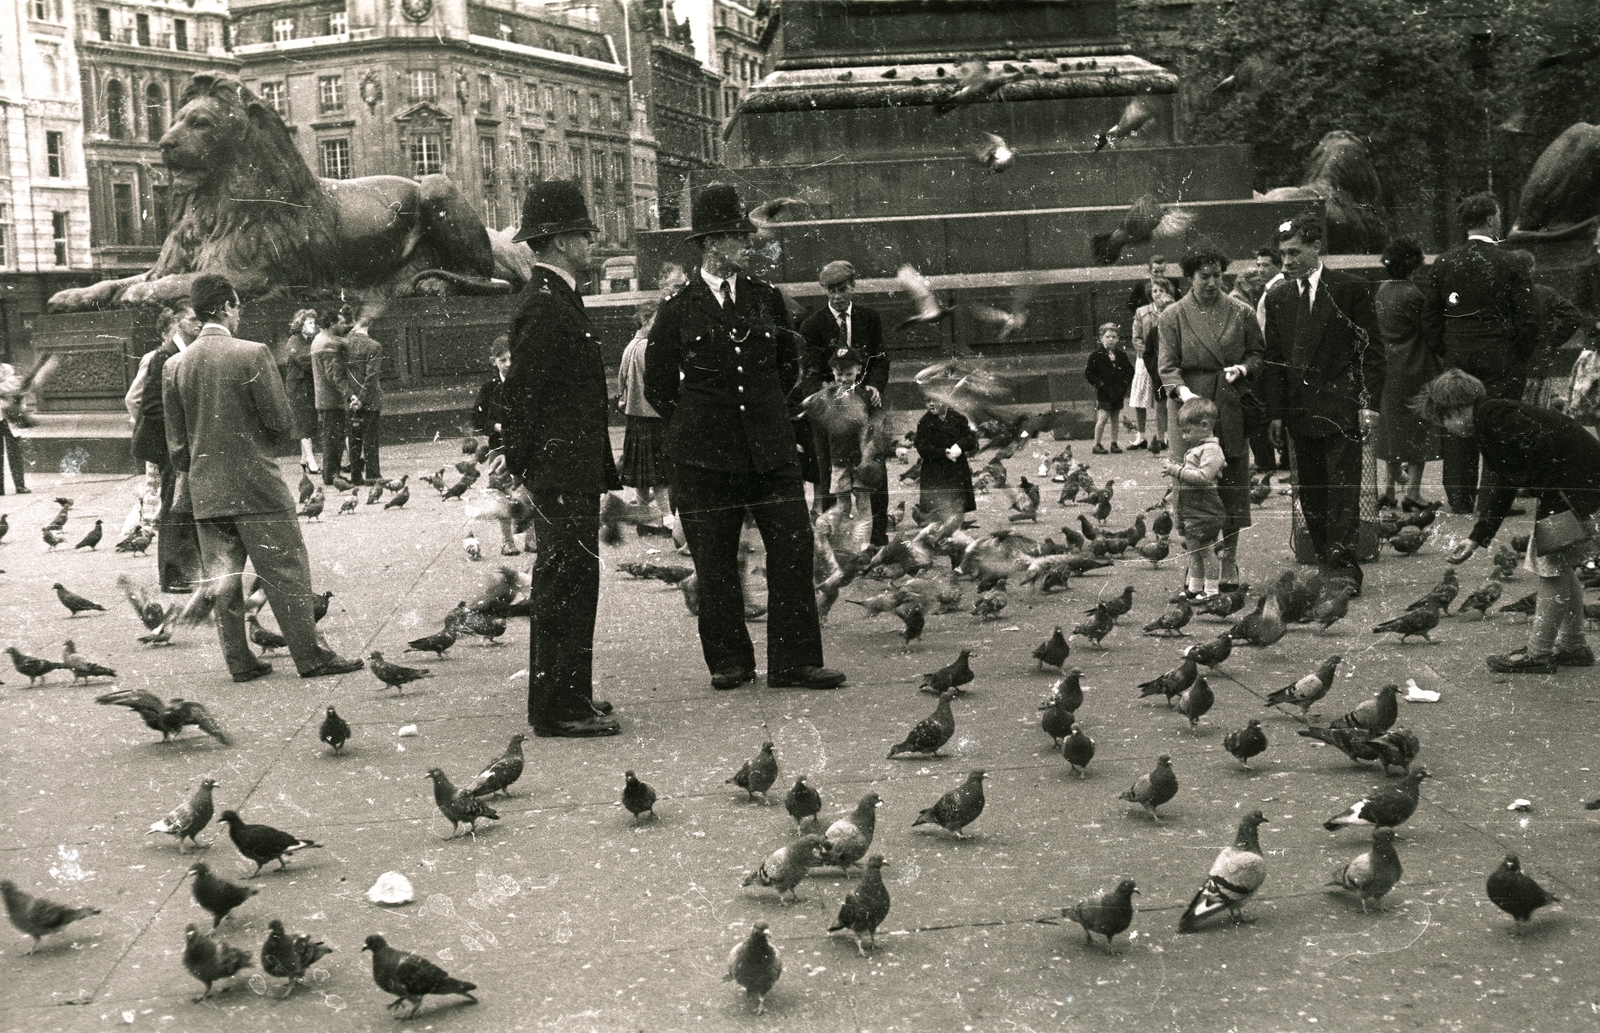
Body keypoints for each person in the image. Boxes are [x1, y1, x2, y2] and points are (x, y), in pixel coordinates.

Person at [644, 182, 846, 692]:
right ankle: (730, 662)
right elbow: (660, 387)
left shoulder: (764, 298)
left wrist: (762, 415)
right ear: (711, 243)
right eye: (735, 238)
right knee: (715, 562)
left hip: (770, 450)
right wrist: (705, 423)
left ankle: (795, 661)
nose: (743, 246)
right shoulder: (678, 309)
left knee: (793, 550)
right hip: (706, 460)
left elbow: (784, 368)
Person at [161, 273, 363, 683]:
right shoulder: (251, 354)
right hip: (256, 485)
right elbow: (280, 422)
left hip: (206, 488)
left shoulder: (174, 365)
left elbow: (177, 444)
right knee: (284, 570)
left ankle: (241, 662)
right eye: (237, 306)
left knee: (224, 580)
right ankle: (311, 657)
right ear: (226, 308)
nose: (239, 314)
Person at [503, 179, 622, 738]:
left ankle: (572, 693)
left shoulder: (557, 296)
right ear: (556, 240)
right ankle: (556, 707)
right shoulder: (545, 304)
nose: (591, 241)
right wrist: (529, 472)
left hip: (569, 469)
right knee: (563, 586)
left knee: (575, 582)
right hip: (560, 473)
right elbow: (524, 398)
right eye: (582, 232)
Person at [1425, 370, 1600, 673]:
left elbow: (1541, 445)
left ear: (1454, 409)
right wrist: (1477, 536)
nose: (1449, 430)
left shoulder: (1494, 416)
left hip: (1570, 490)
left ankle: (1538, 653)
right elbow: (1503, 482)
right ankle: (1573, 645)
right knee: (1559, 563)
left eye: (1446, 422)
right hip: (1576, 486)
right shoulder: (1490, 421)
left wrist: (1547, 495)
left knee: (1549, 566)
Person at [1261, 215, 1385, 591]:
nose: (1286, 262)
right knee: (1311, 491)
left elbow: (1372, 352)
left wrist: (1368, 404)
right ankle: (1323, 557)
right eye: (1282, 254)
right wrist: (1277, 415)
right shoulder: (1279, 297)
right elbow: (1275, 361)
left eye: (1294, 252)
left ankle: (1344, 566)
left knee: (1343, 488)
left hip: (1342, 409)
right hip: (1300, 412)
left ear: (1317, 248)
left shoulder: (1350, 289)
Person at [1418, 192, 1539, 514]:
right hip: (1501, 355)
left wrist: (1448, 350)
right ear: (1491, 219)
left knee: (1457, 424)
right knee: (1499, 426)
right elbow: (1528, 318)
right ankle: (1493, 501)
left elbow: (1430, 317)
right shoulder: (1511, 261)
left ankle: (1460, 498)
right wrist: (1518, 354)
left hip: (1458, 353)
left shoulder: (1445, 262)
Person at [1159, 245, 1265, 591]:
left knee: (1232, 483)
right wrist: (1184, 393)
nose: (1211, 282)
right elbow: (1167, 366)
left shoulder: (1242, 311)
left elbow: (1257, 352)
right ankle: (1195, 563)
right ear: (1190, 277)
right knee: (1191, 489)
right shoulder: (1172, 316)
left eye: (1217, 276)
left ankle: (1229, 561)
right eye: (1204, 276)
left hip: (1229, 404)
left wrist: (1243, 368)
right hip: (1189, 412)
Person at [799, 259, 890, 543]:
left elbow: (880, 358)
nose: (837, 296)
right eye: (830, 290)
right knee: (829, 470)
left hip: (865, 404)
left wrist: (874, 385)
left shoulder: (869, 318)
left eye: (841, 289)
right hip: (830, 407)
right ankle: (832, 542)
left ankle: (876, 538)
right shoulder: (812, 324)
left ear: (853, 286)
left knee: (873, 469)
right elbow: (810, 368)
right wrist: (821, 395)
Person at [133, 309, 204, 593]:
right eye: (191, 320)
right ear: (177, 324)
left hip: (179, 444)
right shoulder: (165, 356)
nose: (198, 323)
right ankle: (172, 574)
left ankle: (186, 569)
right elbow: (150, 406)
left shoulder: (186, 352)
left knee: (182, 506)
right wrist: (181, 428)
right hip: (169, 446)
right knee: (174, 506)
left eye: (200, 319)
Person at [1373, 237, 1442, 512]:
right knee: (1417, 428)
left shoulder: (1382, 289)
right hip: (1415, 364)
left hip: (1389, 365)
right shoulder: (1414, 294)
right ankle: (1413, 492)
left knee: (1392, 430)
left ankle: (1388, 490)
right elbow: (1428, 330)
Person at [1163, 398, 1227, 598]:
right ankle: (1194, 588)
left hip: (1204, 509)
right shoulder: (1198, 448)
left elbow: (1203, 477)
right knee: (1194, 551)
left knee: (1206, 551)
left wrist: (1176, 470)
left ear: (1205, 425)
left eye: (1187, 431)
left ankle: (1211, 591)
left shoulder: (1212, 450)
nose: (1183, 436)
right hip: (1191, 508)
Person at [617, 301, 670, 513]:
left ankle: (642, 514)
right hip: (653, 415)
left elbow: (622, 382)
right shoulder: (648, 347)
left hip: (635, 417)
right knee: (660, 475)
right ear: (644, 321)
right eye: (656, 320)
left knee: (642, 473)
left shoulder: (630, 346)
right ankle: (667, 519)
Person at [1250, 247, 1289, 471]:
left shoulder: (1278, 287)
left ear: (1276, 265)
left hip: (1270, 358)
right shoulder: (1268, 289)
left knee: (1265, 409)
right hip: (1266, 356)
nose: (1260, 269)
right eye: (1258, 265)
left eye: (1265, 265)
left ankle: (1268, 460)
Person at [914, 396, 979, 529]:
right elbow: (922, 448)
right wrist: (943, 452)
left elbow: (970, 440)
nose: (931, 404)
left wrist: (960, 446)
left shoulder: (959, 418)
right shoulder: (924, 423)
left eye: (935, 400)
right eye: (927, 401)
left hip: (957, 471)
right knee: (937, 512)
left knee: (957, 507)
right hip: (935, 472)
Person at [310, 304, 355, 486]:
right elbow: (333, 375)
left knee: (331, 437)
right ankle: (332, 475)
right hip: (332, 400)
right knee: (333, 439)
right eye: (341, 322)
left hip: (324, 398)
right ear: (331, 323)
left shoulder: (318, 339)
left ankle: (331, 474)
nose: (344, 325)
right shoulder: (328, 343)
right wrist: (348, 394)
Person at [1130, 281, 1175, 453]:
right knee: (1155, 402)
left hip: (1172, 368)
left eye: (1160, 290)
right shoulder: (1148, 321)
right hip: (1155, 368)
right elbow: (1144, 346)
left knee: (1171, 404)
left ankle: (1171, 436)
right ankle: (1153, 436)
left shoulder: (1175, 323)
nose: (1156, 293)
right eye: (1154, 290)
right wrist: (1153, 366)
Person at [343, 315, 385, 485]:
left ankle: (355, 476)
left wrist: (351, 396)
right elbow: (372, 377)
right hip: (370, 401)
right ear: (371, 324)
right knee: (370, 438)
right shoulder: (374, 346)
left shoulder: (344, 346)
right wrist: (362, 399)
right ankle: (373, 475)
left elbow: (339, 375)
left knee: (354, 439)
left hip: (350, 401)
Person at [1085, 322, 1134, 454]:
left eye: (1114, 337)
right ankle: (1097, 443)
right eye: (1107, 336)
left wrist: (1124, 383)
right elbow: (1090, 374)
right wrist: (1100, 384)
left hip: (1117, 391)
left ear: (1117, 339)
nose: (1111, 339)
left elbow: (1130, 371)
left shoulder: (1121, 356)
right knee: (1103, 417)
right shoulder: (1095, 356)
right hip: (1104, 392)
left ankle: (1114, 443)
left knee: (1115, 417)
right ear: (1101, 339)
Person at [281, 309, 321, 473]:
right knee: (304, 423)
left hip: (308, 386)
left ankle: (304, 459)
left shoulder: (309, 339)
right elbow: (306, 361)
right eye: (310, 323)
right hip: (298, 388)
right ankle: (311, 462)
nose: (314, 326)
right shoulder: (294, 341)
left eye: (314, 322)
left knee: (309, 421)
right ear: (301, 325)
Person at [473, 335, 513, 452]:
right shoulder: (489, 387)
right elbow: (477, 417)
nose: (508, 364)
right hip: (499, 444)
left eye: (512, 359)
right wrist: (495, 426)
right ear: (493, 361)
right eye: (502, 360)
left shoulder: (526, 384)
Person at [0, 362, 29, 494]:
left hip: (9, 417)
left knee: (15, 452)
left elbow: (14, 387)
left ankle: (20, 485)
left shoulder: (7, 368)